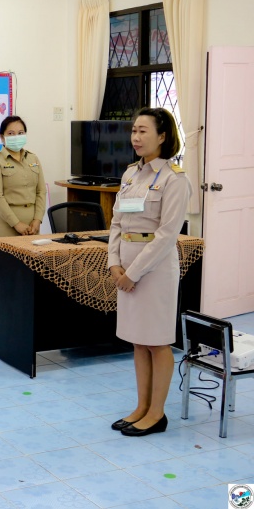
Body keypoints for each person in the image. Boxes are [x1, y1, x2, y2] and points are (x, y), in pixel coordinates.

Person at [107, 107, 190, 437]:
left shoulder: (174, 179)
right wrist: (114, 263)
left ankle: (157, 413)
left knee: (157, 341)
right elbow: (116, 222)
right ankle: (141, 407)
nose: (136, 137)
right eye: (134, 131)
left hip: (154, 271)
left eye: (143, 131)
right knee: (138, 341)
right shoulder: (130, 174)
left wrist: (134, 273)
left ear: (162, 136)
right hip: (125, 266)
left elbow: (167, 235)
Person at [0, 115, 47, 237]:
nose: (16, 137)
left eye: (20, 133)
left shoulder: (33, 158)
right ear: (2, 137)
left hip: (32, 225)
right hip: (6, 225)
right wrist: (16, 224)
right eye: (11, 133)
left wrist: (38, 219)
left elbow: (41, 191)